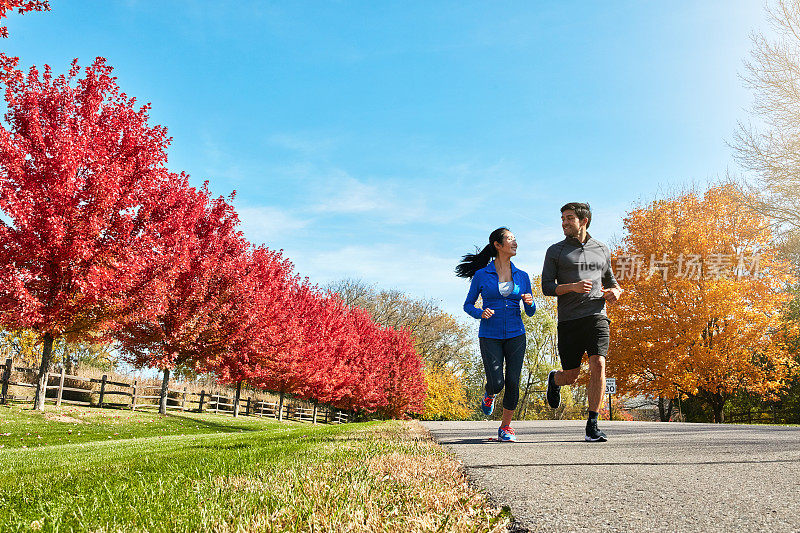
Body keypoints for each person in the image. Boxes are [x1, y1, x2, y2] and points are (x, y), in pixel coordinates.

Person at [541, 202, 623, 442]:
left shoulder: (602, 248)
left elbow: (611, 280)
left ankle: (592, 424)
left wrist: (617, 292)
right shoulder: (555, 251)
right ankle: (555, 379)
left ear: (583, 221)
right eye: (563, 219)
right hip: (569, 320)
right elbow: (547, 287)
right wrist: (572, 287)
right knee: (572, 376)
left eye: (569, 218)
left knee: (598, 363)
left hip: (597, 315)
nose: (564, 223)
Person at [457, 227, 536, 442]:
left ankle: (506, 427)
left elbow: (530, 311)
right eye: (510, 239)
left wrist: (530, 303)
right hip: (490, 334)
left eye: (515, 239)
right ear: (498, 245)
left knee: (513, 381)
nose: (515, 243)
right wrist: (480, 313)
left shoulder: (523, 276)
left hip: (516, 334)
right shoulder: (482, 275)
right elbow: (467, 305)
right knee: (497, 383)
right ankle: (489, 394)